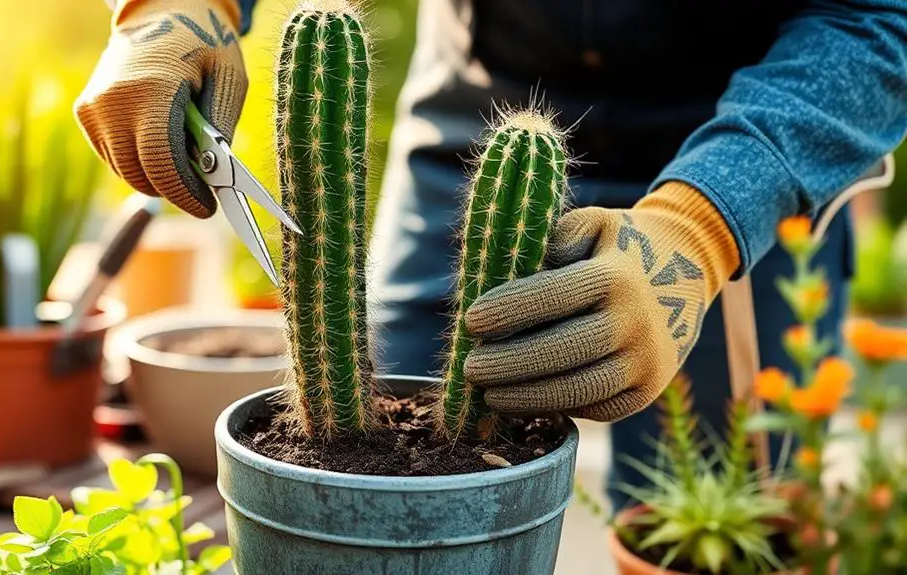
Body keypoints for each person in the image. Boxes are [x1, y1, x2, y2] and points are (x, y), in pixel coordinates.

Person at [74, 0, 907, 511]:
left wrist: (701, 228)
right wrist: (171, 5)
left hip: (737, 142)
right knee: (367, 477)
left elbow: (879, 16)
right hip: (476, 128)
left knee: (708, 520)